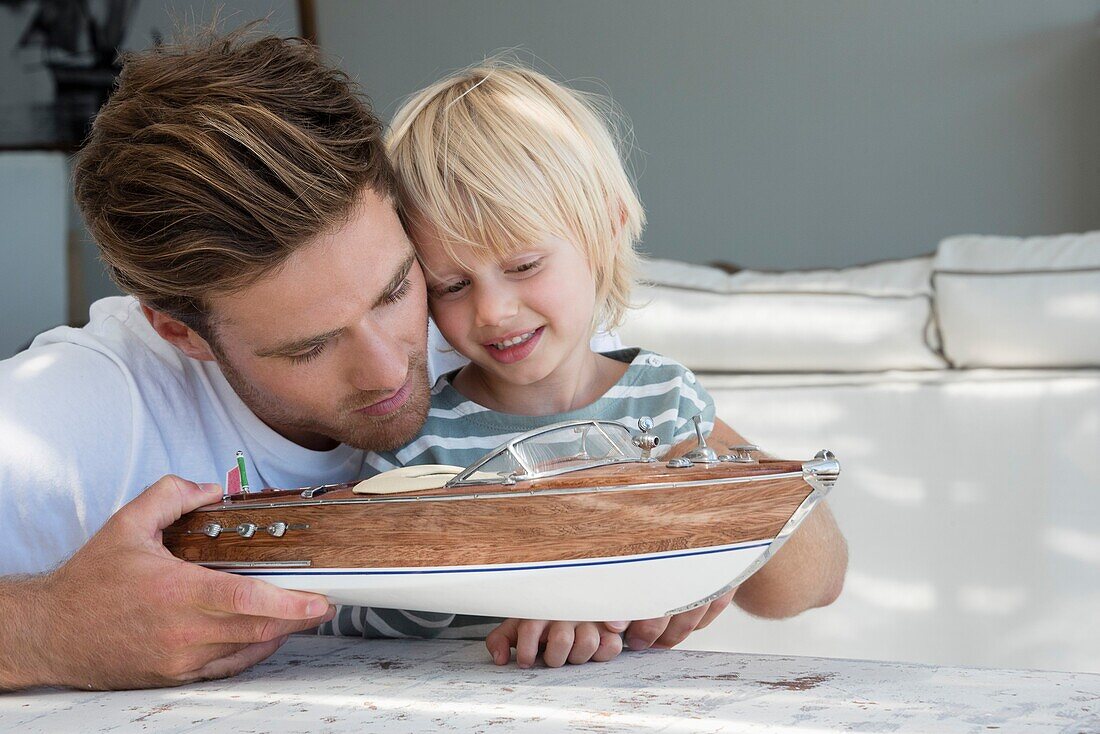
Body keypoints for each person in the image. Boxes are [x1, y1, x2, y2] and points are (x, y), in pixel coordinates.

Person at [0, 30, 846, 691]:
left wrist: (710, 541)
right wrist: (47, 628)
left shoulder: (490, 327)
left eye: (396, 289)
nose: (389, 369)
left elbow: (799, 556)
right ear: (178, 329)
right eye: (310, 344)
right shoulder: (71, 413)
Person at [321, 63, 845, 669]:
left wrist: (704, 500)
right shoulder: (419, 438)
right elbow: (349, 616)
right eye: (453, 284)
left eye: (523, 266)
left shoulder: (664, 402)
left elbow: (809, 589)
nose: (493, 311)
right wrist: (512, 572)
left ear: (606, 227)